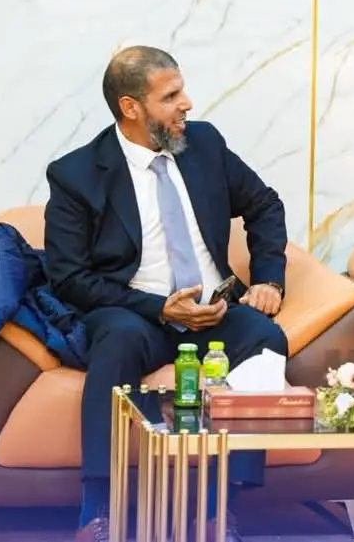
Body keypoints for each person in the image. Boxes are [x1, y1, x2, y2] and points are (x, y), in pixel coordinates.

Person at [44, 45, 288, 542]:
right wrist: (160, 308)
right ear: (131, 107)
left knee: (266, 338)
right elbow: (69, 278)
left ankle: (221, 506)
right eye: (171, 96)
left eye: (183, 91)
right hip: (136, 313)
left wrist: (268, 279)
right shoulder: (77, 175)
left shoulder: (204, 144)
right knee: (116, 341)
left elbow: (264, 204)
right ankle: (98, 509)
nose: (187, 104)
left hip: (214, 310)